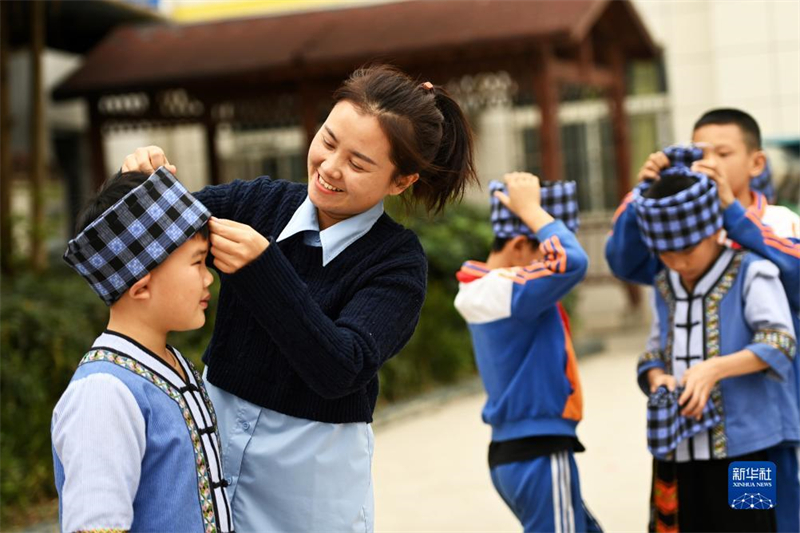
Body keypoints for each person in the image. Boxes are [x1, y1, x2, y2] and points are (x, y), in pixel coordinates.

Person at [120, 64, 478, 532]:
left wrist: (262, 268)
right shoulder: (259, 202)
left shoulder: (398, 262)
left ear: (400, 182)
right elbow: (148, 240)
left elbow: (341, 367)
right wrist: (142, 186)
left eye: (358, 163)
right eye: (328, 141)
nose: (330, 168)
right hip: (210, 441)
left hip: (309, 480)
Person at [605, 109, 800, 532]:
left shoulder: (778, 224)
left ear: (755, 162)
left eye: (723, 152)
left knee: (769, 522)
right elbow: (624, 261)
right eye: (699, 152)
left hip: (765, 422)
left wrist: (730, 212)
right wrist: (642, 191)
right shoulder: (674, 240)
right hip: (682, 441)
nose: (708, 162)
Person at [53, 168, 233, 532]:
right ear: (140, 286)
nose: (208, 276)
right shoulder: (103, 393)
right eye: (197, 262)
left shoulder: (172, 364)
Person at [454, 172, 601, 533]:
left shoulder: (491, 292)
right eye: (542, 247)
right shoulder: (502, 290)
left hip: (523, 450)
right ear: (521, 244)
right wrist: (532, 209)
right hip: (536, 452)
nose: (545, 264)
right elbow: (573, 262)